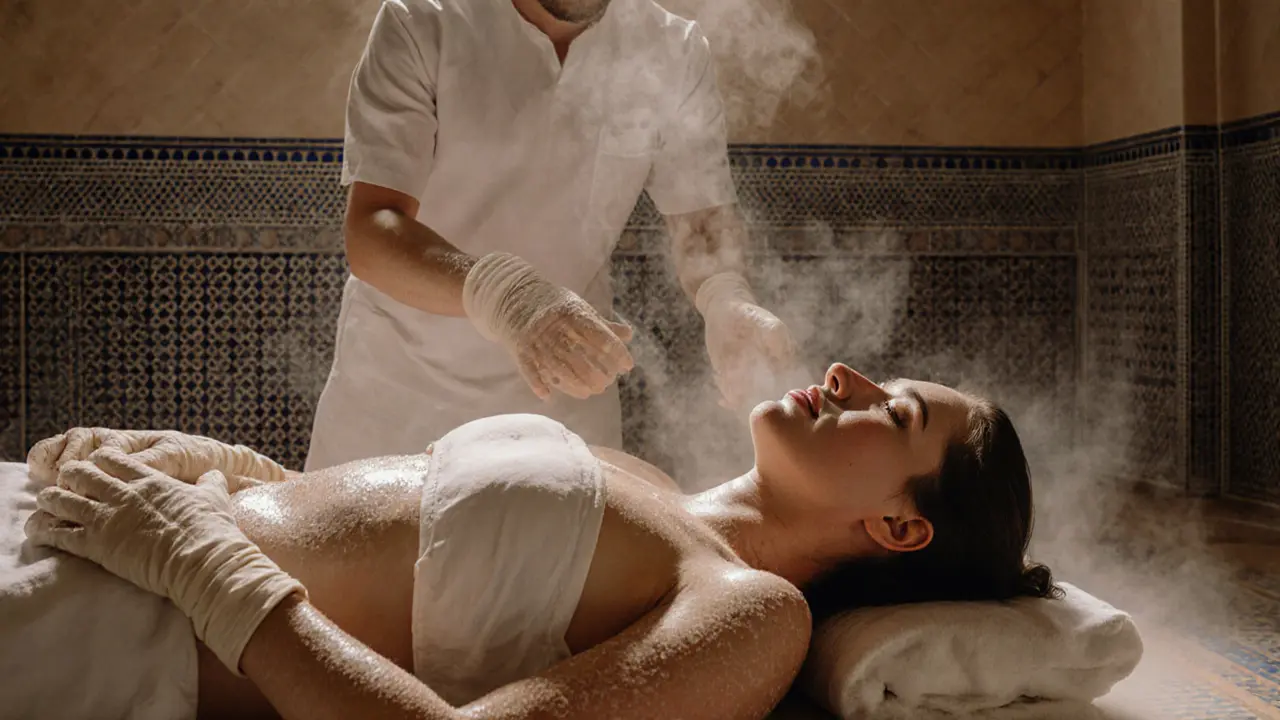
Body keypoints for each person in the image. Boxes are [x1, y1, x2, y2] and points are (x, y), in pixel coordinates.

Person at [22, 363, 1058, 720]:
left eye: (895, 411)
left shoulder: (747, 611)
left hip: (116, 629)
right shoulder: (650, 481)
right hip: (106, 527)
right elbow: (412, 538)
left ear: (898, 526)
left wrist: (201, 563)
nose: (846, 379)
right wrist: (230, 471)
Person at [305, 0, 800, 471]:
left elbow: (700, 223)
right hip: (398, 398)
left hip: (565, 402)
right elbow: (373, 231)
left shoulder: (672, 48)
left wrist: (724, 297)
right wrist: (507, 295)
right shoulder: (422, 22)